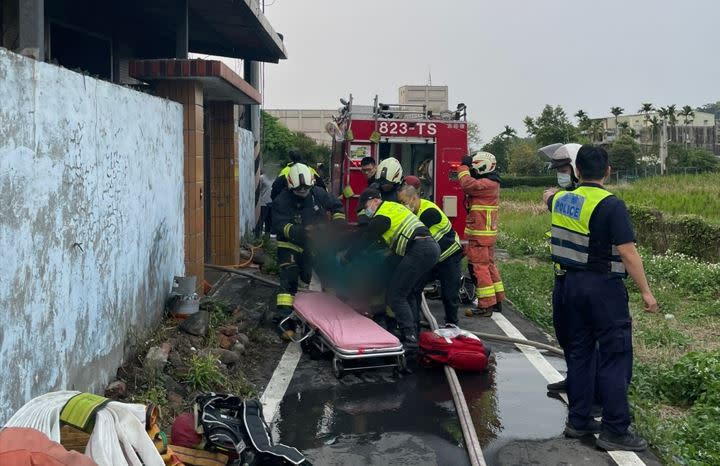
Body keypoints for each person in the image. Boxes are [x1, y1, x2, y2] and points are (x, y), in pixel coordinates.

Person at [546, 145, 657, 451]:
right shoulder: (611, 205)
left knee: (580, 354)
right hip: (602, 289)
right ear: (608, 171)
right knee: (614, 355)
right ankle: (615, 429)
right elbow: (627, 252)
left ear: (576, 171)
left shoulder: (561, 200)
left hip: (568, 286)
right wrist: (646, 291)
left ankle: (578, 420)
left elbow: (549, 197)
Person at [347, 188, 440, 349]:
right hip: (429, 248)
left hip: (419, 249)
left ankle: (409, 339)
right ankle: (413, 331)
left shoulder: (382, 215)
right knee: (407, 291)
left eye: (366, 206)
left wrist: (347, 257)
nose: (365, 211)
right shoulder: (394, 207)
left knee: (396, 295)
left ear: (375, 201)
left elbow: (366, 239)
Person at [271, 163, 346, 339]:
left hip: (315, 244)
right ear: (291, 186)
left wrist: (338, 222)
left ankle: (332, 314)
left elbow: (336, 206)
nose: (303, 191)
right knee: (288, 281)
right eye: (299, 189)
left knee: (329, 275)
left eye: (306, 188)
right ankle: (285, 322)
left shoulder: (317, 194)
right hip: (290, 244)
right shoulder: (281, 201)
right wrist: (300, 231)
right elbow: (279, 225)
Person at [398, 184, 462, 325]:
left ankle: (452, 325)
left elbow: (414, 239)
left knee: (449, 294)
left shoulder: (428, 212)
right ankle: (414, 324)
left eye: (404, 202)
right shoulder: (415, 211)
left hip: (449, 255)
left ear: (414, 198)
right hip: (432, 258)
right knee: (415, 287)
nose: (402, 206)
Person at [458, 151, 505, 317]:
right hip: (486, 235)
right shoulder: (492, 182)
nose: (473, 170)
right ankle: (497, 300)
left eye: (474, 167)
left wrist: (463, 166)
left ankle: (486, 305)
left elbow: (466, 184)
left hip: (479, 236)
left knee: (480, 269)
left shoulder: (486, 184)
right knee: (489, 266)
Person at [254, 170, 273, 238]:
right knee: (261, 220)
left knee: (269, 222)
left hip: (271, 203)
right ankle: (259, 238)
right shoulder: (261, 178)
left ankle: (267, 239)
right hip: (263, 203)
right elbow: (257, 189)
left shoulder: (273, 178)